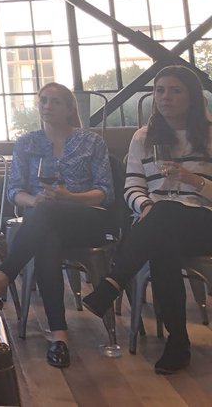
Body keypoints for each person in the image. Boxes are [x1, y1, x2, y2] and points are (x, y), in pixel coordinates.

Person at [82, 65, 212, 375]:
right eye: (160, 90)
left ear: (192, 97)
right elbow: (132, 187)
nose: (165, 97)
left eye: (175, 90)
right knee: (163, 244)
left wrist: (194, 181)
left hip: (203, 221)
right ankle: (177, 342)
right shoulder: (143, 137)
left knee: (165, 214)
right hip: (157, 222)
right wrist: (144, 205)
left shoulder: (209, 134)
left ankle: (114, 281)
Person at [0, 83, 113, 369]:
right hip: (43, 221)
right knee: (47, 237)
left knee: (46, 215)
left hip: (87, 217)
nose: (47, 106)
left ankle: (2, 276)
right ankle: (59, 336)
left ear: (69, 108)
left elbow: (104, 192)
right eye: (43, 101)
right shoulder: (26, 143)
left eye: (55, 102)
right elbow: (14, 191)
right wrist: (35, 200)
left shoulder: (91, 142)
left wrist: (71, 198)